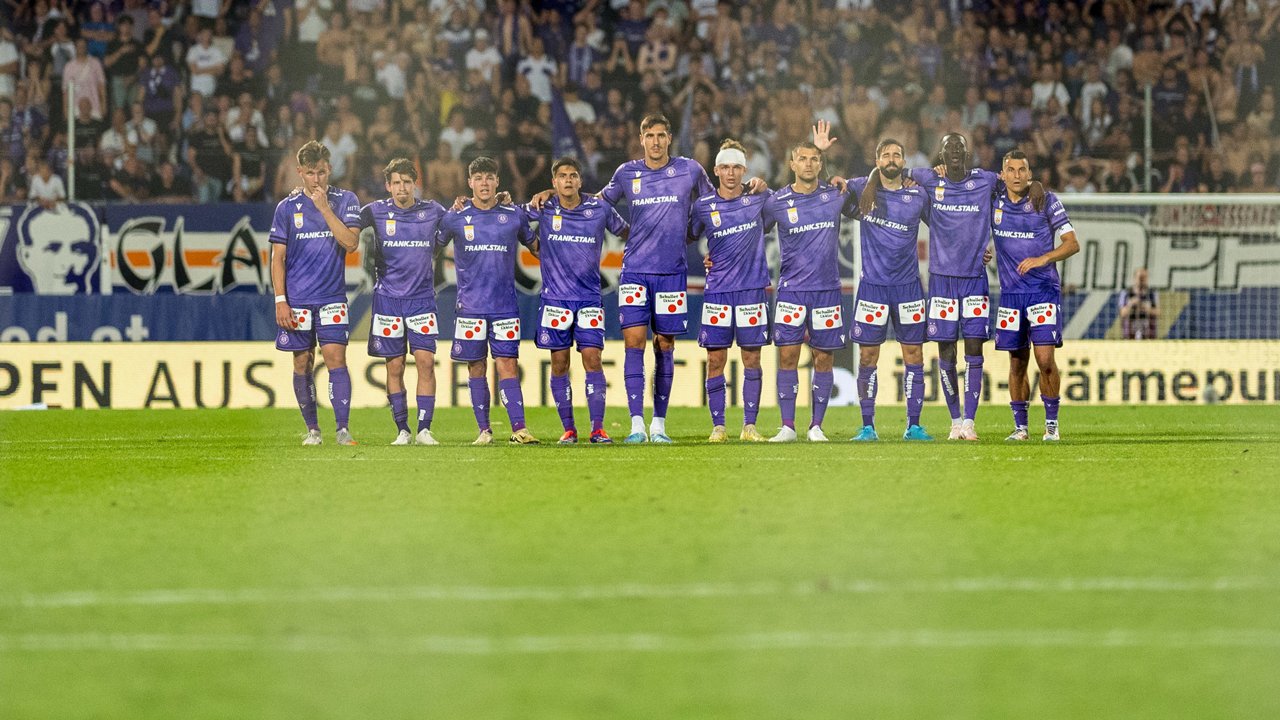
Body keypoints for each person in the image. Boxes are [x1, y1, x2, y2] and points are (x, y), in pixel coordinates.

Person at [537, 114, 715, 444]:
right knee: (634, 342)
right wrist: (557, 192)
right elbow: (592, 204)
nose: (656, 141)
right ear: (641, 138)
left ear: (670, 138)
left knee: (665, 344)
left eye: (662, 135)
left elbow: (712, 207)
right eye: (650, 135)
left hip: (672, 272)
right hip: (633, 272)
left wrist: (705, 243)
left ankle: (659, 424)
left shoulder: (690, 170)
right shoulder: (626, 174)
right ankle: (636, 424)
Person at [907, 133, 1040, 441]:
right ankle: (954, 421)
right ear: (940, 155)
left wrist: (1038, 186)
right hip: (941, 281)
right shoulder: (930, 180)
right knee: (946, 352)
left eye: (959, 147)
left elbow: (1017, 180)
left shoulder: (984, 180)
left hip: (974, 280)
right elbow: (895, 172)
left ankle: (969, 421)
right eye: (948, 148)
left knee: (974, 350)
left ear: (967, 153)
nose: (954, 152)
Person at [524, 156, 629, 444]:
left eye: (573, 175)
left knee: (592, 360)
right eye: (562, 176)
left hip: (589, 299)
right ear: (554, 182)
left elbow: (628, 232)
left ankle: (598, 429)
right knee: (559, 364)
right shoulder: (544, 208)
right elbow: (511, 218)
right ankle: (569, 429)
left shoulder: (599, 208)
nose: (568, 180)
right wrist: (533, 244)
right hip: (555, 299)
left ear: (580, 181)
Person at [439, 156, 540, 445]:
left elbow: (536, 248)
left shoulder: (513, 214)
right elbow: (432, 247)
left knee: (507, 364)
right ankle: (484, 431)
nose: (484, 183)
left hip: (505, 306)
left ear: (497, 182)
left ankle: (519, 428)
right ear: (470, 183)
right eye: (478, 178)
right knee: (476, 366)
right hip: (470, 307)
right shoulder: (455, 216)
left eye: (489, 177)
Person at [269, 141, 362, 446]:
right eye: (310, 173)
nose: (317, 179)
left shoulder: (345, 199)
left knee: (336, 358)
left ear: (329, 169)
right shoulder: (286, 208)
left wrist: (324, 209)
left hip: (332, 298)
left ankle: (343, 429)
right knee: (301, 362)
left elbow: (350, 243)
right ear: (300, 173)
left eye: (321, 172)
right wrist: (281, 301)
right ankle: (313, 430)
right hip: (297, 301)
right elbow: (277, 258)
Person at [762, 129, 852, 443]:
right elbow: (748, 233)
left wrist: (843, 176)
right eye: (803, 159)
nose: (809, 164)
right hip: (791, 291)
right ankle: (787, 426)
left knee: (823, 358)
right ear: (792, 164)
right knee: (787, 357)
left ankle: (816, 426)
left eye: (815, 159)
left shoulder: (835, 194)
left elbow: (872, 189)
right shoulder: (776, 202)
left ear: (820, 163)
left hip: (827, 290)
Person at [846, 139, 933, 442]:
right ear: (877, 159)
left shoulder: (918, 194)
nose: (892, 159)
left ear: (904, 160)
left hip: (908, 288)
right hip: (872, 288)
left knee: (914, 355)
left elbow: (945, 226)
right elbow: (836, 194)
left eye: (897, 155)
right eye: (886, 155)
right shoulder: (861, 187)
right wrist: (864, 181)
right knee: (868, 357)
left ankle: (914, 425)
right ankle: (867, 425)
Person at [991, 150, 1079, 442]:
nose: (1017, 175)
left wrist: (1043, 259)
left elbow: (1072, 244)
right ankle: (1021, 428)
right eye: (1011, 170)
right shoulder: (993, 201)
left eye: (1022, 170)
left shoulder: (1046, 200)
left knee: (1045, 360)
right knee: (1017, 363)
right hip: (1011, 295)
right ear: (1002, 175)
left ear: (1029, 174)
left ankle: (1051, 425)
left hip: (1043, 292)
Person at [690, 139, 772, 443]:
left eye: (737, 167)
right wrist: (704, 258)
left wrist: (766, 188)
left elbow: (793, 207)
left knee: (752, 359)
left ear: (745, 169)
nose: (731, 173)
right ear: (715, 170)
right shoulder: (703, 206)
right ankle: (719, 426)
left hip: (751, 291)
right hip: (718, 293)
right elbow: (687, 237)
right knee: (715, 360)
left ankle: (749, 426)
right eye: (725, 166)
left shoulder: (760, 199)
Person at [361, 158, 447, 446]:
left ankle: (424, 429)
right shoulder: (375, 211)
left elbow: (460, 221)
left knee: (426, 362)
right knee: (394, 367)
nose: (402, 187)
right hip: (388, 300)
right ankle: (402, 430)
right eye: (396, 182)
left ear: (415, 183)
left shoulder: (433, 210)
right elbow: (346, 223)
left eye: (407, 182)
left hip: (422, 300)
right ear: (388, 185)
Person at [1119, 267, 1158, 339]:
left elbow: (1157, 312)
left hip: (1147, 328)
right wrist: (1130, 305)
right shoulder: (1126, 293)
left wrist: (1146, 308)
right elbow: (1122, 313)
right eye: (1140, 277)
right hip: (1131, 328)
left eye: (1144, 278)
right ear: (1134, 278)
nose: (1142, 280)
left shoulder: (1152, 293)